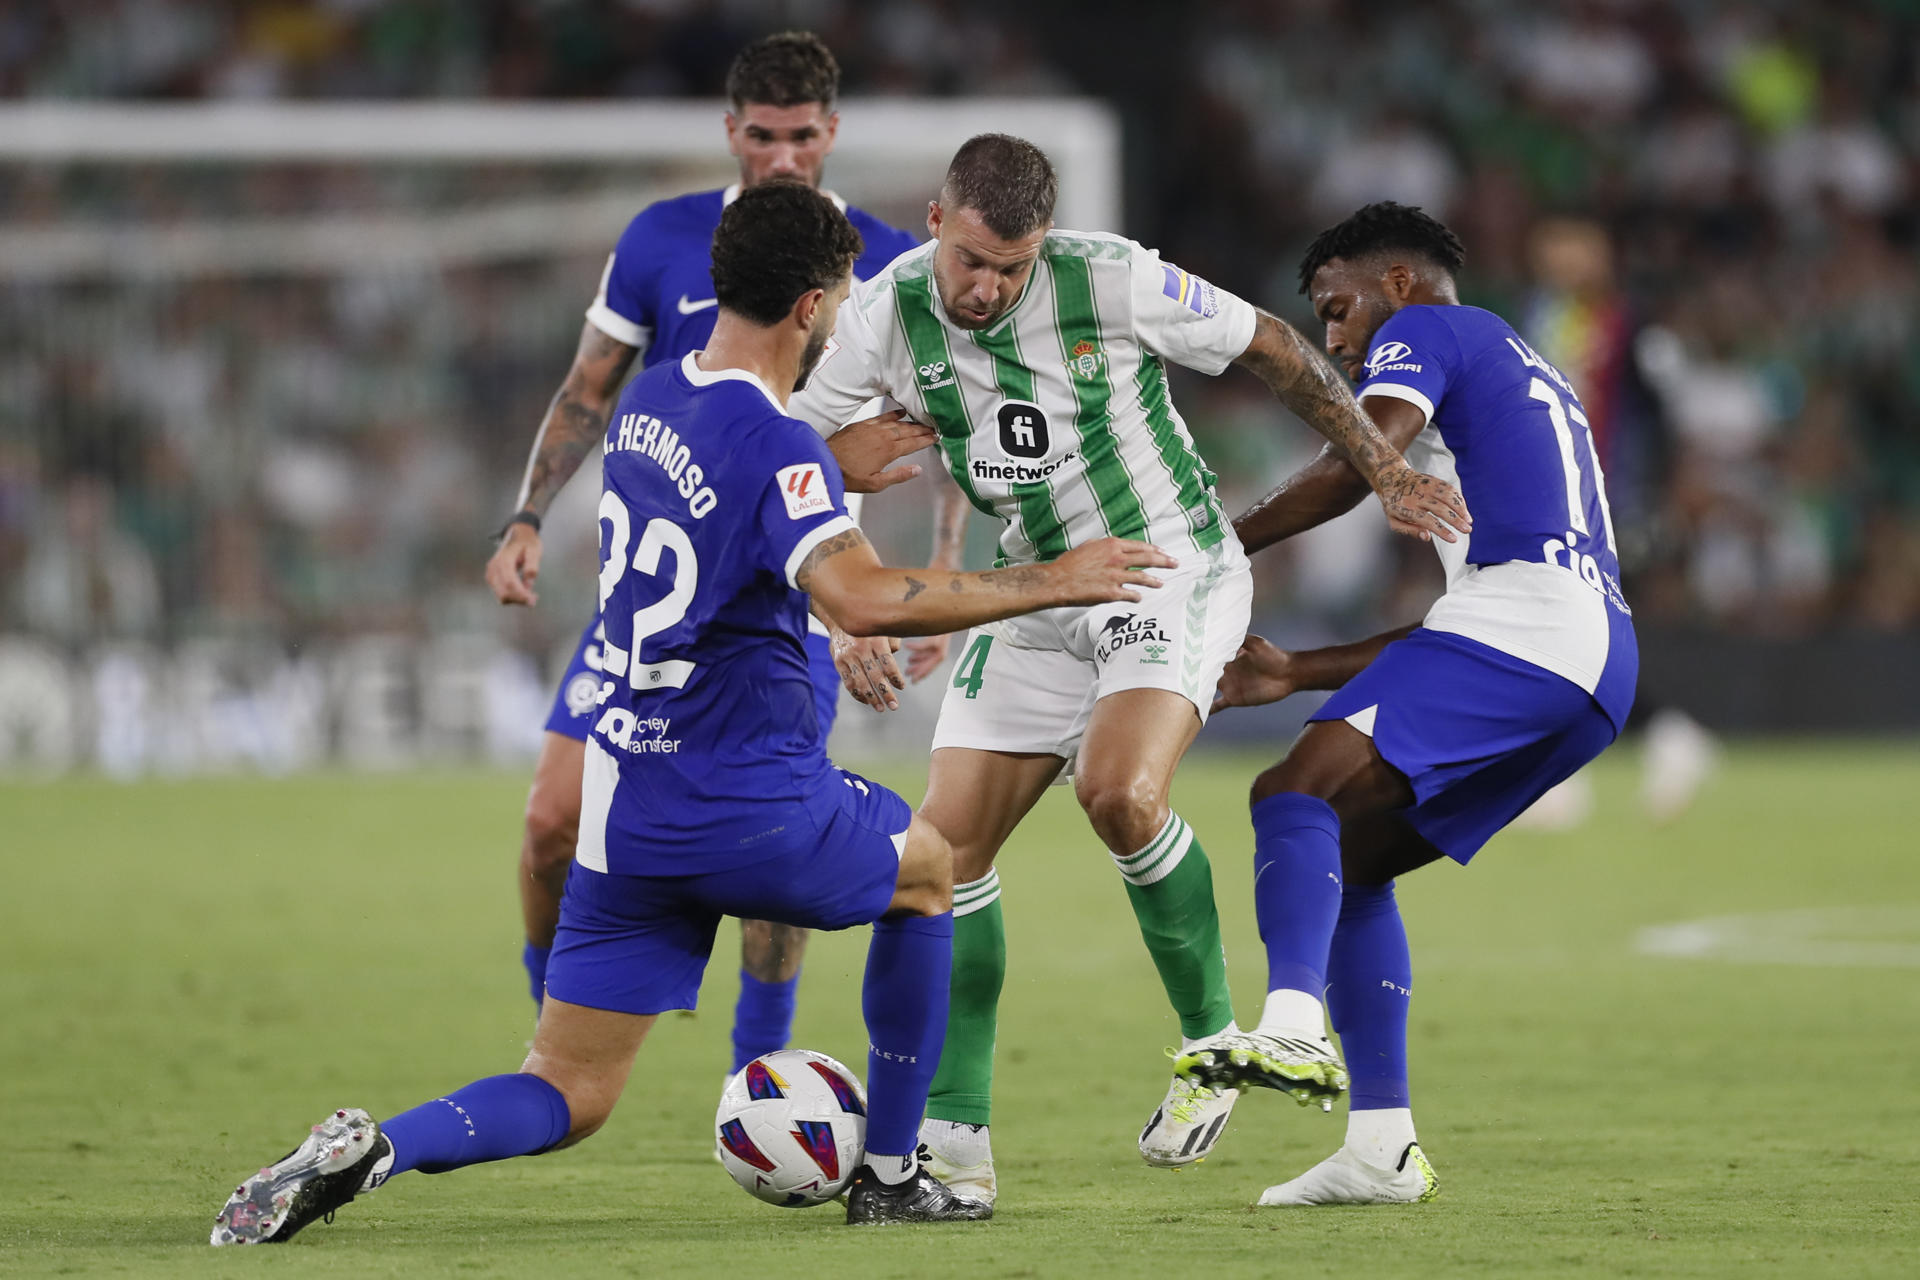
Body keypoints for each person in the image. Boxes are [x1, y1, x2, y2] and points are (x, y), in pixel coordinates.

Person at [211, 182, 1179, 1244]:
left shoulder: (654, 397)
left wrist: (824, 466)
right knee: (930, 868)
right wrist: (1053, 576)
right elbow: (856, 596)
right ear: (814, 308)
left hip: (630, 813)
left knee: (568, 1089)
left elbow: (727, 505)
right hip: (749, 799)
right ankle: (896, 1171)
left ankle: (373, 1146)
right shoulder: (776, 442)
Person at [788, 137, 1468, 1201]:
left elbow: (1277, 346)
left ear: (1043, 245)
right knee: (939, 852)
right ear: (934, 221)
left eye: (1012, 266)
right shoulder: (885, 310)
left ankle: (1214, 1047)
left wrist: (1383, 468)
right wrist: (846, 605)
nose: (988, 286)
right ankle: (959, 1144)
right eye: (972, 259)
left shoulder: (1111, 275)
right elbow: (794, 455)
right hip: (1037, 585)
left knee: (1118, 788)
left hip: (1166, 567)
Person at [481, 32, 965, 1078]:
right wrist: (525, 517)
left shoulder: (878, 263)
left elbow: (889, 444)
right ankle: (553, 1010)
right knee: (549, 820)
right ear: (731, 132)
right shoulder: (664, 239)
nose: (784, 156)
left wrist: (846, 614)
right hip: (659, 597)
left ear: (831, 134)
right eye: (763, 136)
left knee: (769, 830)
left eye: (802, 137)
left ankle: (759, 1058)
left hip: (784, 587)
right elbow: (592, 388)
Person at [1176, 201, 1637, 1207]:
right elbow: (1468, 616)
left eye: (1336, 308)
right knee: (1350, 852)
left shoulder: (1428, 328)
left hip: (1533, 633)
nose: (1333, 338)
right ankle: (1381, 1144)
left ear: (1394, 282)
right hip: (1585, 660)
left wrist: (1207, 547)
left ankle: (1292, 1018)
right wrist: (1297, 670)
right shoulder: (1516, 362)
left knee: (1290, 789)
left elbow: (1360, 463)